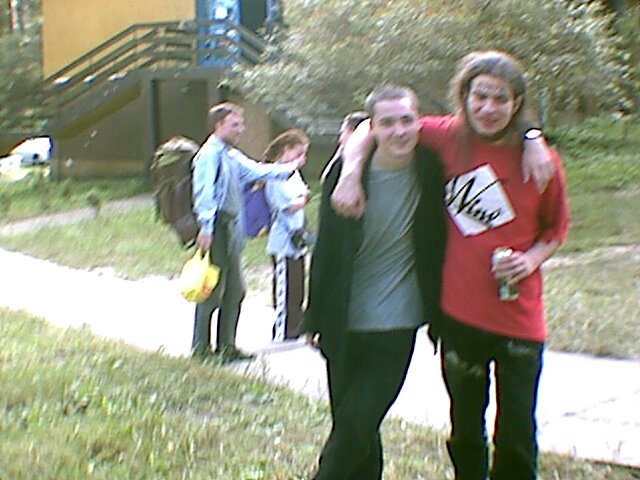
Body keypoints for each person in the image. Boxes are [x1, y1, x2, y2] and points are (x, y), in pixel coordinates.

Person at [332, 51, 570, 480]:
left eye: (501, 99)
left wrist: (530, 260)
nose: (489, 108)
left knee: (517, 433)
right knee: (464, 431)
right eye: (480, 96)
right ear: (464, 96)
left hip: (520, 320)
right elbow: (371, 126)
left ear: (517, 102)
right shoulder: (446, 136)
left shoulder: (542, 160)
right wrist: (350, 174)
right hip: (460, 317)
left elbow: (555, 229)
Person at [304, 85, 446, 479]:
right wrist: (314, 316)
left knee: (355, 426)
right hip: (343, 321)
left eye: (407, 120)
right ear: (373, 127)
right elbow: (326, 250)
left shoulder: (432, 169)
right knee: (357, 426)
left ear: (419, 121)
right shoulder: (345, 174)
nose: (399, 131)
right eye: (387, 123)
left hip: (396, 322)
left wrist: (532, 138)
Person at [190, 102, 303, 363]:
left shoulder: (230, 155)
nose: (240, 129)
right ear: (218, 125)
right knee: (212, 290)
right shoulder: (209, 155)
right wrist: (206, 227)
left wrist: (287, 169)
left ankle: (227, 347)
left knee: (235, 290)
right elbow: (204, 192)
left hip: (231, 229)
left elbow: (256, 170)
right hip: (217, 228)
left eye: (241, 124)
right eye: (235, 124)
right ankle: (201, 349)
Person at [262, 129, 311, 342]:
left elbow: (304, 192)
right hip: (282, 240)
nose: (302, 159)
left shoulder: (294, 174)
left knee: (298, 284)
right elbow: (287, 205)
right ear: (285, 150)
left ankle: (296, 325)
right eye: (298, 154)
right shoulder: (275, 174)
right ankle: (282, 328)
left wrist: (303, 197)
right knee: (285, 285)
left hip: (297, 238)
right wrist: (303, 199)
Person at [319, 111, 369, 183]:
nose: (340, 138)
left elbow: (326, 181)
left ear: (353, 132)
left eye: (343, 132)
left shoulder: (349, 161)